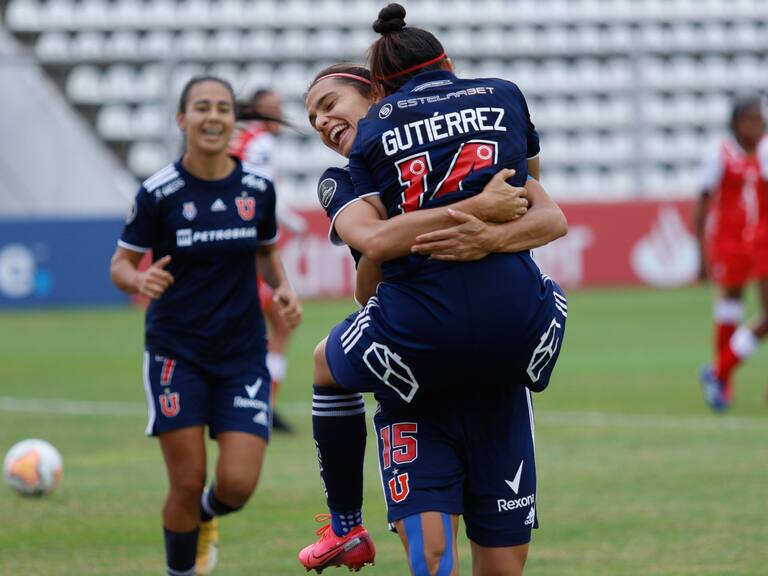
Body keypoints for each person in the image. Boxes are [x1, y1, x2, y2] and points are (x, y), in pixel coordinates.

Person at [299, 5, 568, 571]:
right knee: (433, 556)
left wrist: (487, 238)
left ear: (376, 92)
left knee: (503, 566)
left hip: (493, 385)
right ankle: (344, 524)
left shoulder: (429, 139)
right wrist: (476, 210)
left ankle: (343, 526)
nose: (322, 122)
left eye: (328, 104)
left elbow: (549, 218)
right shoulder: (342, 180)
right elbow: (368, 281)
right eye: (313, 119)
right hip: (415, 380)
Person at [109, 75, 301, 576]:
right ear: (183, 119)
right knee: (187, 481)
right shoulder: (159, 192)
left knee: (237, 485)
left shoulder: (257, 189)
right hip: (177, 353)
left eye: (222, 107)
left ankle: (206, 516)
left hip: (243, 355)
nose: (213, 116)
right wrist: (139, 279)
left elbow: (265, 252)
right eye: (201, 107)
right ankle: (182, 570)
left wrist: (281, 287)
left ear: (233, 121)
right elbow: (120, 266)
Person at [228, 88, 306, 433]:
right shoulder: (261, 142)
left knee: (271, 322)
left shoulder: (244, 138)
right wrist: (294, 222)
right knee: (276, 321)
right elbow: (258, 192)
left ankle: (261, 403)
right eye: (272, 108)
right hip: (248, 247)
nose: (279, 114)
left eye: (279, 106)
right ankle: (259, 403)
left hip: (237, 245)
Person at [697, 95, 768, 412]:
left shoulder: (761, 149)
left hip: (757, 238)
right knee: (730, 307)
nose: (756, 126)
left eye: (759, 120)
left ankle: (719, 373)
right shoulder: (720, 152)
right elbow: (703, 202)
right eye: (750, 120)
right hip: (731, 240)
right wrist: (701, 255)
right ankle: (722, 378)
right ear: (736, 123)